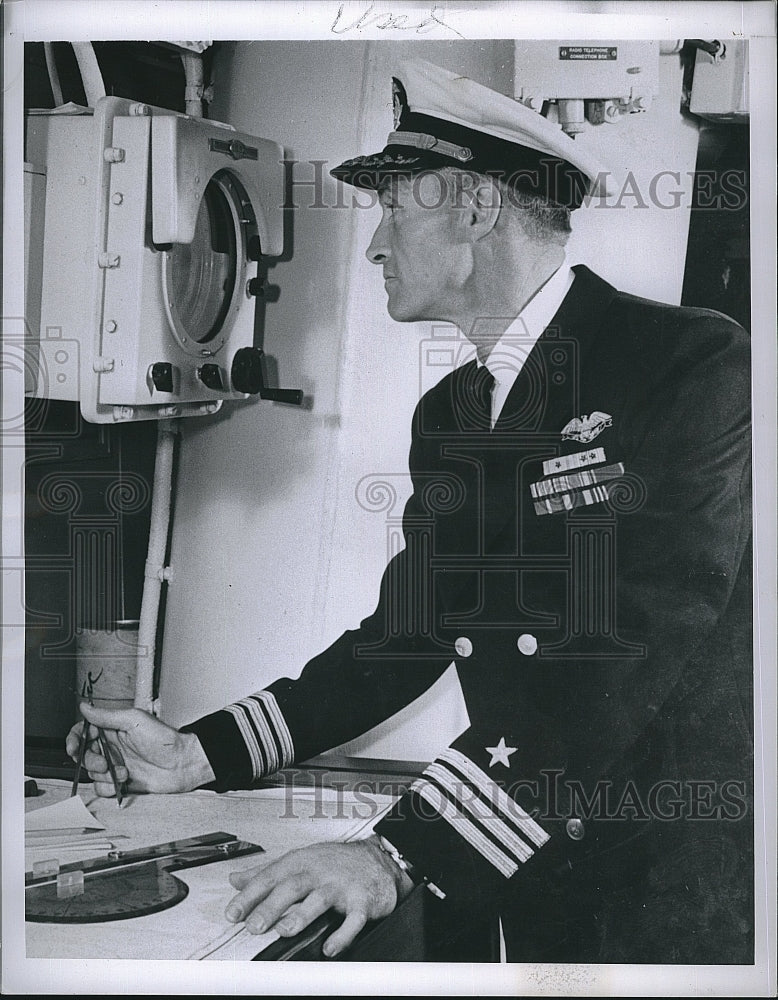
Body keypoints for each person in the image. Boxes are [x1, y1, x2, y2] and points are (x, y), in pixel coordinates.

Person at [67, 60, 753, 963]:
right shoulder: (454, 414)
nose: (376, 246)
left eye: (393, 210)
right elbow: (405, 635)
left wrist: (398, 850)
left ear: (473, 209)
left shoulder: (689, 363)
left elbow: (627, 650)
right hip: (528, 857)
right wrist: (198, 754)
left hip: (674, 882)